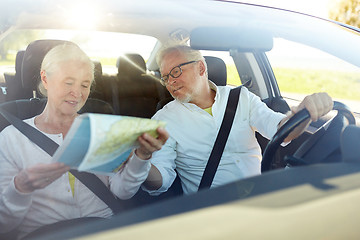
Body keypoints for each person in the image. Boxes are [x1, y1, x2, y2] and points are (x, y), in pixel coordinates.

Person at [0, 44, 168, 239]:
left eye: (85, 85)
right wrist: (20, 188)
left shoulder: (102, 129)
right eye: (68, 82)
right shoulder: (10, 138)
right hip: (43, 234)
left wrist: (142, 157)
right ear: (45, 79)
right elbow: (4, 226)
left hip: (104, 230)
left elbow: (122, 192)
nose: (77, 93)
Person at [141, 44, 333, 196]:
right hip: (212, 213)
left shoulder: (241, 97)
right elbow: (162, 179)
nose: (171, 82)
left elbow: (281, 131)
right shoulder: (164, 120)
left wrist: (303, 111)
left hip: (260, 200)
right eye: (165, 77)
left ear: (200, 67)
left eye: (176, 71)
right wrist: (138, 164)